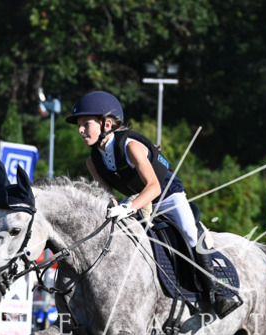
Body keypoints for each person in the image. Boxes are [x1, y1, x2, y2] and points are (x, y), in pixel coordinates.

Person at [66, 90, 240, 317]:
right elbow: (107, 195)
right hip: (136, 202)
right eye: (79, 125)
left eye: (86, 124)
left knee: (189, 233)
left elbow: (154, 187)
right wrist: (112, 208)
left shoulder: (130, 146)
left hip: (167, 196)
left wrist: (128, 207)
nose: (80, 130)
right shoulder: (93, 161)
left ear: (106, 124)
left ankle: (218, 292)